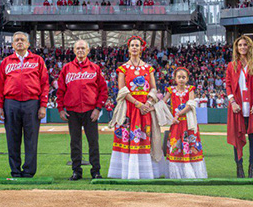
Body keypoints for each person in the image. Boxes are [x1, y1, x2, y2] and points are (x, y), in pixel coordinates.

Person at [107, 35, 166, 179]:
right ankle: (127, 172)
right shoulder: (123, 68)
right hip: (129, 108)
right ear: (128, 49)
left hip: (144, 109)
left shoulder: (148, 68)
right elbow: (122, 90)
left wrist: (148, 103)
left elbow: (153, 88)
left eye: (137, 45)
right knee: (127, 138)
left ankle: (145, 173)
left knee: (145, 138)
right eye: (132, 45)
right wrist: (137, 103)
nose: (134, 47)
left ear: (141, 49)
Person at [0, 31, 49, 178]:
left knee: (31, 139)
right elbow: (0, 86)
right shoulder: (6, 62)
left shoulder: (37, 60)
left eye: (22, 40)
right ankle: (15, 171)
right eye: (16, 40)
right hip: (10, 103)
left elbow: (45, 84)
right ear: (12, 44)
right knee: (12, 139)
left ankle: (29, 171)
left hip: (32, 102)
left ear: (28, 44)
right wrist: (0, 106)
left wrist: (43, 105)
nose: (19, 42)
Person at [57, 39, 108, 181]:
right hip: (72, 111)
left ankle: (96, 171)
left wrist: (98, 108)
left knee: (93, 142)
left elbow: (103, 90)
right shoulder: (66, 68)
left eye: (82, 48)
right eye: (77, 48)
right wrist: (61, 108)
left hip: (90, 110)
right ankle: (76, 171)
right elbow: (60, 90)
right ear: (73, 51)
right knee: (75, 142)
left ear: (87, 51)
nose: (80, 51)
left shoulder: (95, 68)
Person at [225, 35, 253, 178]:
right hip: (237, 107)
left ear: (249, 47)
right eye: (240, 45)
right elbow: (228, 85)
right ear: (236, 48)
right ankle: (239, 167)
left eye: (245, 45)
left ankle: (252, 167)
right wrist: (232, 102)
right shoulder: (232, 66)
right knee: (237, 137)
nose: (242, 47)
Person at [165, 67, 207, 179]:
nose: (181, 79)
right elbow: (163, 104)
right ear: (175, 78)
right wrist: (169, 116)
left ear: (187, 79)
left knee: (191, 146)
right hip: (176, 124)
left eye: (184, 77)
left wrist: (177, 114)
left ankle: (191, 173)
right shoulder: (170, 90)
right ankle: (177, 174)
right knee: (176, 146)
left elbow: (190, 105)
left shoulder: (190, 90)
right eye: (179, 77)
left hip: (188, 124)